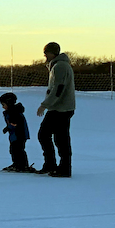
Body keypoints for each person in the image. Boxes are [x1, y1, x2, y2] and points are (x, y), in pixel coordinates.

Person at [36, 42, 75, 177]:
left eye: (46, 52)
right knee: (54, 136)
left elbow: (58, 89)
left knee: (54, 137)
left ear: (53, 53)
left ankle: (62, 168)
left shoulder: (60, 66)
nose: (45, 55)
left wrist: (44, 104)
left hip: (61, 109)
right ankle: (52, 165)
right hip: (59, 108)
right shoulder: (58, 65)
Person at [0, 92, 34, 172]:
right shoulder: (11, 112)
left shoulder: (14, 112)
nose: (3, 107)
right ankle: (17, 164)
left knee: (18, 149)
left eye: (4, 105)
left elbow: (15, 123)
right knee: (13, 150)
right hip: (14, 135)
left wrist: (9, 127)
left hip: (19, 135)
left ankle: (22, 165)